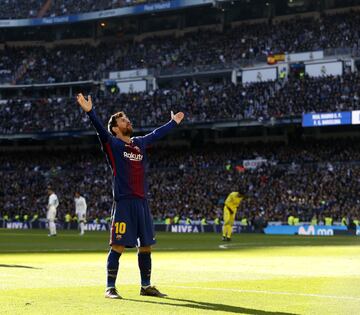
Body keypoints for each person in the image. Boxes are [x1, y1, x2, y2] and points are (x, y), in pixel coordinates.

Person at [76, 93, 184, 299]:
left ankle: (146, 286)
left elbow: (156, 134)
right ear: (116, 128)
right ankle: (110, 287)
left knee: (146, 246)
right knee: (117, 246)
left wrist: (173, 123)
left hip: (142, 202)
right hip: (124, 203)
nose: (128, 121)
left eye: (127, 119)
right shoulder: (113, 145)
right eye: (123, 120)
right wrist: (91, 112)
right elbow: (100, 130)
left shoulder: (139, 143)